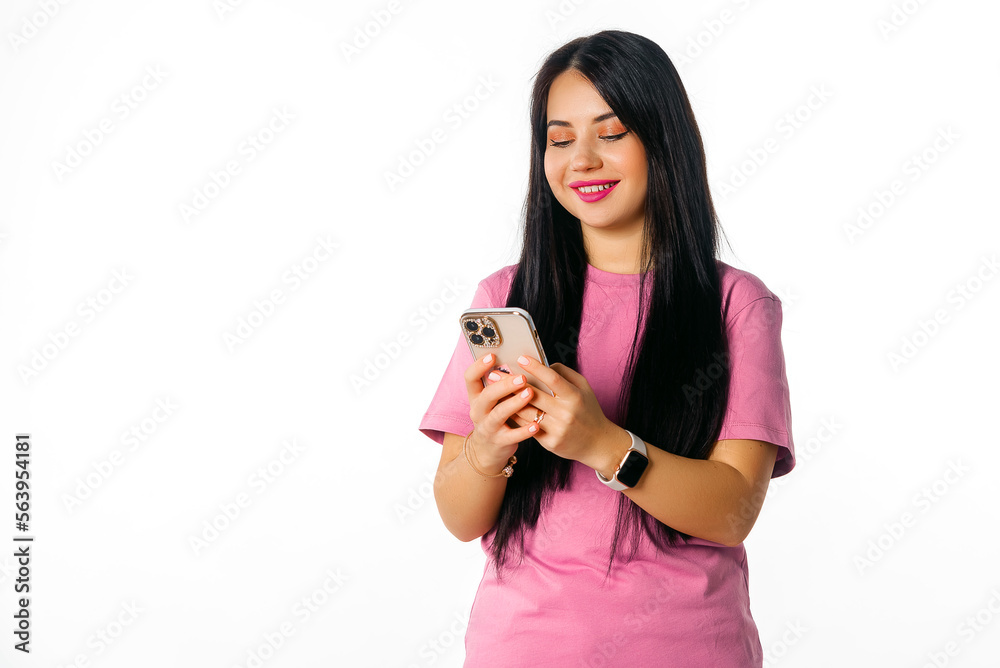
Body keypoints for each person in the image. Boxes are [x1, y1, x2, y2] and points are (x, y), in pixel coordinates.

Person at [417, 29, 795, 667]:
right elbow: (460, 518)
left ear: (663, 139)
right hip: (522, 649)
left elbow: (732, 511)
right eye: (559, 139)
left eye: (611, 133)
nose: (581, 160)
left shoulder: (737, 306)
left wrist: (602, 444)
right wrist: (489, 447)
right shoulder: (505, 295)